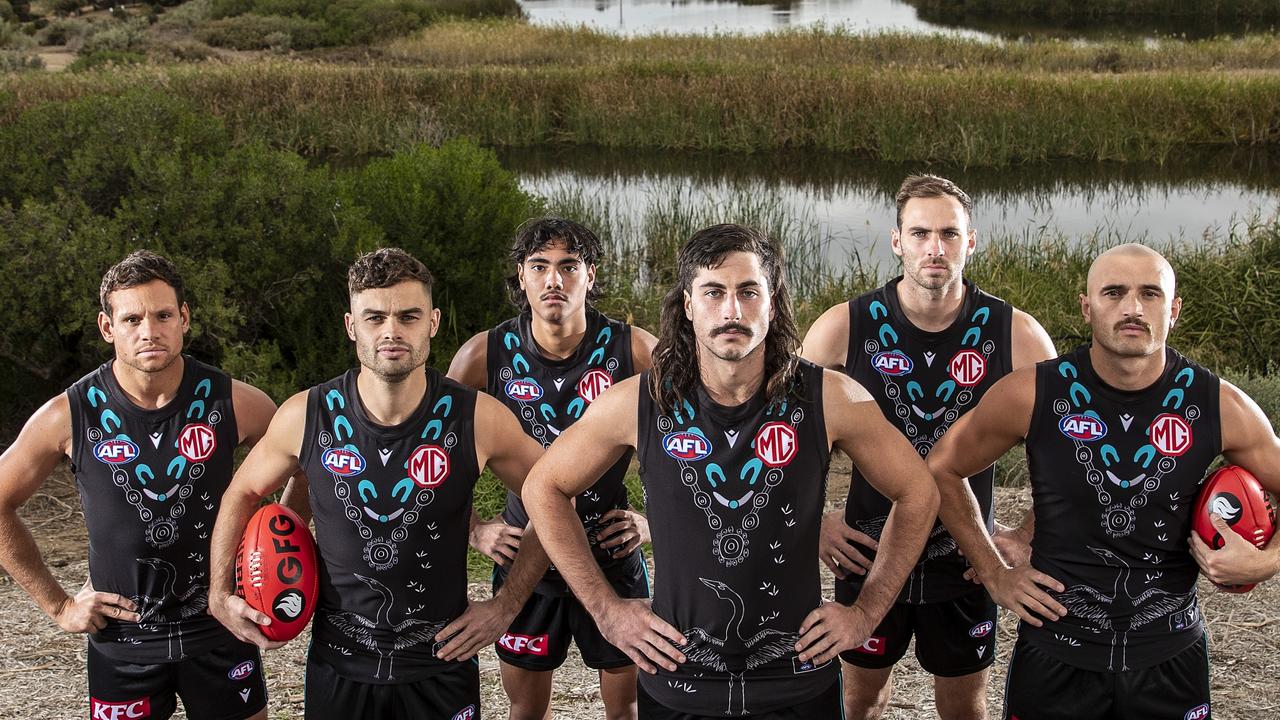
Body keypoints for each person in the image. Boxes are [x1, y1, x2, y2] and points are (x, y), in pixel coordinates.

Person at [523, 224, 940, 719]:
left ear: (773, 300)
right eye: (714, 292)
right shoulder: (637, 402)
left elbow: (919, 492)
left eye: (748, 292)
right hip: (679, 679)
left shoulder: (830, 397)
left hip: (797, 680)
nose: (732, 311)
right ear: (688, 303)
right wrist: (606, 610)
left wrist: (866, 614)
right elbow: (543, 487)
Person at [928, 243, 1280, 719]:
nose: (1133, 308)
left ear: (1173, 311)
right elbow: (942, 469)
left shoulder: (1219, 404)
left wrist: (1265, 563)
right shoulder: (1033, 392)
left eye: (1150, 294)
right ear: (1086, 306)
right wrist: (993, 572)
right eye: (1114, 292)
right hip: (1057, 649)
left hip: (1168, 653)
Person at [207, 248, 548, 719]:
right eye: (375, 318)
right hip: (340, 666)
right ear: (352, 326)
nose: (391, 331)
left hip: (441, 664)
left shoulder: (478, 418)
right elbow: (241, 493)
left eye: (409, 316)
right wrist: (219, 593)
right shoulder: (307, 414)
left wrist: (506, 605)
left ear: (433, 322)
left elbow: (553, 497)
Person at [800, 174, 1055, 719]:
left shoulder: (1016, 334)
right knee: (859, 698)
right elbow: (786, 436)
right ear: (897, 241)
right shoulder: (845, 325)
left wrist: (1026, 532)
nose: (934, 249)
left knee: (964, 706)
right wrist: (815, 521)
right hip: (866, 555)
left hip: (963, 560)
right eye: (919, 234)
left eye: (948, 234)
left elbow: (1064, 450)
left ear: (972, 240)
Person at [0, 250, 277, 720]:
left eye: (163, 314)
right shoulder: (70, 414)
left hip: (219, 626)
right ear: (108, 328)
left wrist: (279, 540)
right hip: (122, 638)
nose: (149, 331)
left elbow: (309, 468)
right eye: (132, 318)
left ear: (184, 318)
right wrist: (60, 605)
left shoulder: (236, 402)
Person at [448, 218, 658, 720]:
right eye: (539, 267)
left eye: (568, 267)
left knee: (626, 706)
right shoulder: (485, 354)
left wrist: (652, 524)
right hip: (525, 552)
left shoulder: (635, 350)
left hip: (608, 547)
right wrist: (474, 531)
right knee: (525, 708)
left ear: (591, 275)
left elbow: (694, 447)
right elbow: (434, 460)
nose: (553, 281)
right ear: (522, 277)